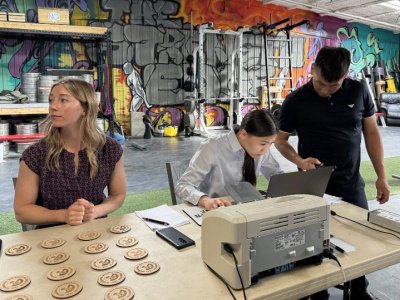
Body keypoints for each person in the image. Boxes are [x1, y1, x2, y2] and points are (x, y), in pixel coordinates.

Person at [275, 46, 390, 300]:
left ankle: (359, 291)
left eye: (333, 85)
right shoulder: (296, 100)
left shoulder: (359, 91)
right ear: (313, 69)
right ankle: (318, 294)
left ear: (346, 75)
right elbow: (280, 141)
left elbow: (371, 132)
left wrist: (381, 176)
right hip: (312, 186)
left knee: (360, 239)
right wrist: (299, 160)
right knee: (312, 244)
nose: (325, 90)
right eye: (321, 83)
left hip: (350, 183)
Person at [14, 78, 126, 227]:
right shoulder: (35, 155)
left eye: (63, 100)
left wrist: (96, 211)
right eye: (51, 100)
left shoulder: (110, 149)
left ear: (85, 108)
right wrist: (64, 215)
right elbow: (22, 211)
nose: (53, 106)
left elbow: (118, 194)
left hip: (97, 233)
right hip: (50, 239)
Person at [175, 109, 282, 210]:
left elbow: (277, 176)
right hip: (217, 210)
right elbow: (183, 185)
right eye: (263, 144)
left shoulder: (261, 148)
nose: (265, 151)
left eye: (270, 144)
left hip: (246, 209)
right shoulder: (212, 146)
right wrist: (205, 200)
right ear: (243, 134)